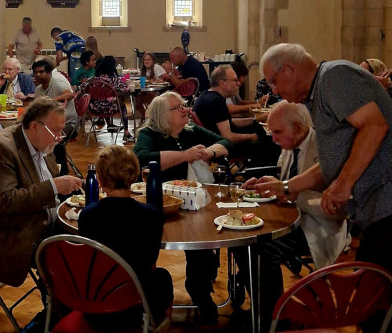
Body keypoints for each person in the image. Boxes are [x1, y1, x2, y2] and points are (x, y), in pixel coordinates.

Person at [257, 43, 392, 329]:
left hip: (387, 206)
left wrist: (343, 184)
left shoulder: (334, 76)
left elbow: (375, 126)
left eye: (273, 81)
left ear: (290, 70)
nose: (275, 90)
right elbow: (334, 161)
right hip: (376, 211)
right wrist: (285, 187)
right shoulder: (318, 94)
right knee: (373, 306)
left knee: (374, 305)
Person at [236, 100, 349, 327]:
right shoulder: (292, 145)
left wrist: (292, 193)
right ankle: (263, 308)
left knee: (264, 247)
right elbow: (286, 181)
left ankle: (275, 317)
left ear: (298, 128)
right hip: (290, 217)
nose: (273, 138)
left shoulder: (326, 149)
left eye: (277, 132)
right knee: (240, 241)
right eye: (271, 131)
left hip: (319, 224)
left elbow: (339, 209)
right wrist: (268, 183)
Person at [0, 97, 83, 287]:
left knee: (91, 238)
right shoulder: (1, 148)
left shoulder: (44, 142)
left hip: (41, 220)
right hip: (6, 232)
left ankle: (66, 305)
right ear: (34, 126)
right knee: (76, 257)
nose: (60, 137)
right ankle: (56, 305)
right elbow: (5, 202)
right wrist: (54, 186)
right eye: (55, 131)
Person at [134, 91, 230, 324]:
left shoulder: (191, 131)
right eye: (178, 108)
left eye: (184, 106)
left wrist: (209, 152)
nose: (185, 111)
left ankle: (199, 289)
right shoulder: (149, 134)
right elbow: (143, 159)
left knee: (202, 236)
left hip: (195, 203)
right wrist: (184, 156)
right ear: (161, 115)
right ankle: (146, 294)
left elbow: (224, 142)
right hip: (161, 205)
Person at [78, 145, 173, 326]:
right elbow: (151, 259)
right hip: (136, 305)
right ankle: (157, 326)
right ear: (135, 176)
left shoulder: (87, 215)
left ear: (99, 179)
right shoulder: (151, 215)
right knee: (163, 276)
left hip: (94, 302)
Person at [193, 65, 280, 166]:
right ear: (222, 83)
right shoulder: (216, 101)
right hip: (221, 146)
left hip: (212, 141)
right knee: (270, 142)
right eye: (235, 80)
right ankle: (258, 175)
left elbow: (228, 122)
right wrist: (252, 136)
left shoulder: (206, 95)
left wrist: (255, 119)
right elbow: (228, 136)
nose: (238, 83)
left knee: (258, 127)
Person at [33, 59, 79, 175]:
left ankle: (61, 170)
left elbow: (70, 94)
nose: (38, 75)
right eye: (36, 72)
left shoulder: (58, 82)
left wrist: (52, 101)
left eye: (41, 72)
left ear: (49, 73)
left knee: (52, 136)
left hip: (68, 122)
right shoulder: (38, 90)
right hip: (48, 123)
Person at [80, 56, 133, 142]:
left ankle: (110, 124)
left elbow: (82, 87)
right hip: (110, 109)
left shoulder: (93, 79)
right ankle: (126, 133)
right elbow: (126, 89)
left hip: (94, 108)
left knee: (104, 101)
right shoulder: (114, 80)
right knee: (121, 106)